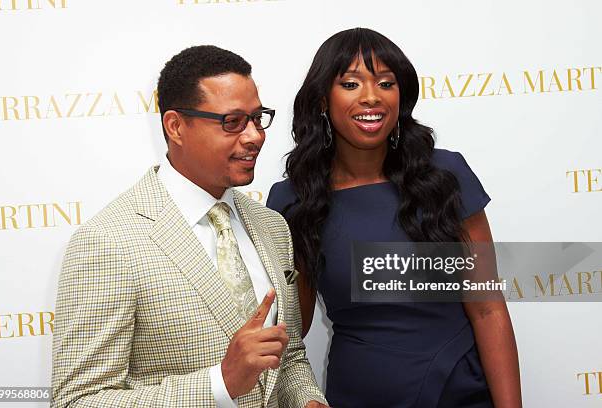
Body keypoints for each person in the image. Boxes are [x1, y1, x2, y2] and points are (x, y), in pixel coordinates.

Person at [51, 45, 327, 408]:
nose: (254, 136)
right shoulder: (108, 241)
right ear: (175, 126)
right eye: (232, 122)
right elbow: (77, 401)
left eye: (258, 118)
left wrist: (309, 401)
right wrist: (221, 383)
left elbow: (288, 356)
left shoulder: (271, 225)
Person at [266, 28, 522, 407]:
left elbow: (487, 308)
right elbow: (295, 326)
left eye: (386, 82)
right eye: (351, 83)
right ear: (323, 100)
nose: (371, 96)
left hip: (457, 392)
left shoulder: (445, 175)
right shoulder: (292, 201)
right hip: (359, 394)